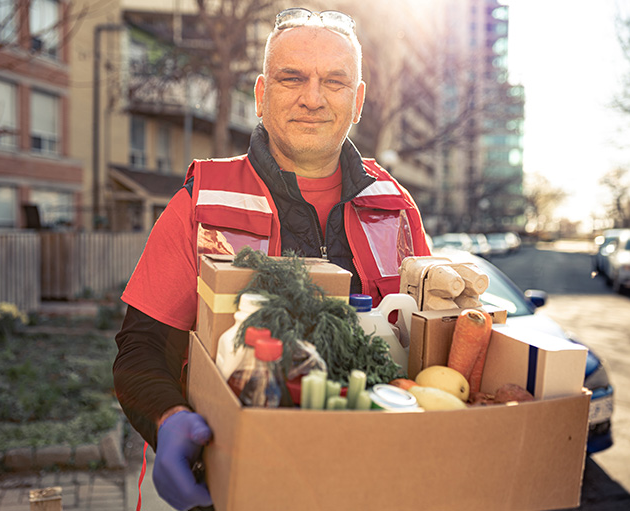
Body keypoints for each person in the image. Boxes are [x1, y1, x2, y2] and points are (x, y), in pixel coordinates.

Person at [113, 7, 431, 510]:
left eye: (334, 80)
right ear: (261, 96)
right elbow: (141, 351)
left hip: (375, 484)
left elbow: (430, 353)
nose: (312, 97)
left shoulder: (396, 207)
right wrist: (168, 419)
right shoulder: (201, 203)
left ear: (359, 100)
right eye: (292, 78)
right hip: (237, 483)